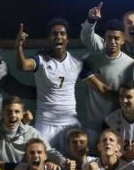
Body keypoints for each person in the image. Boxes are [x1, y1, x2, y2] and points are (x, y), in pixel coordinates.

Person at [15, 19, 96, 153]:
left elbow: (102, 88)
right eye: (54, 33)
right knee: (41, 160)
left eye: (62, 33)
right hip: (45, 124)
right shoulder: (40, 60)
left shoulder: (77, 63)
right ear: (48, 38)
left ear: (67, 39)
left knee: (77, 160)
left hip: (71, 123)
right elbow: (22, 65)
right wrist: (18, 46)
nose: (58, 36)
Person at [80, 18, 134, 143]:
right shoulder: (90, 59)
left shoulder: (131, 64)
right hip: (92, 125)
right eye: (109, 38)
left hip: (118, 126)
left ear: (123, 39)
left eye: (116, 38)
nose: (112, 41)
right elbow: (86, 36)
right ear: (104, 39)